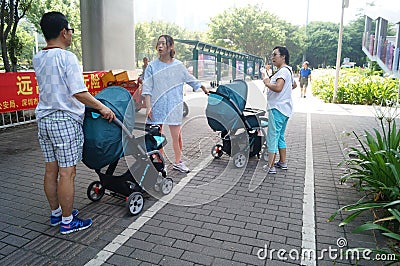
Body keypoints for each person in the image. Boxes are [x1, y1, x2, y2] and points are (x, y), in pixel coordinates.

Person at [33, 11, 116, 234]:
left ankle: (56, 215)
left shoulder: (38, 57)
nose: (71, 34)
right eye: (70, 30)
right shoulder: (67, 57)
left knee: (51, 170)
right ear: (63, 32)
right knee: (67, 173)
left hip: (44, 120)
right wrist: (102, 106)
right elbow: (78, 92)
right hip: (65, 121)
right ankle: (68, 222)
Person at [142, 34, 208, 173]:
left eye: (163, 44)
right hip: (157, 105)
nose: (160, 46)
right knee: (157, 136)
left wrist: (201, 87)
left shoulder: (178, 65)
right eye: (158, 43)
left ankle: (178, 162)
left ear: (170, 46)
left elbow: (189, 78)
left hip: (174, 105)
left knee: (176, 136)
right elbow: (147, 87)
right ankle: (161, 163)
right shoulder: (152, 67)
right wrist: (148, 107)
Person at [262, 46, 297, 174]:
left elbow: (278, 87)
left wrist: (267, 82)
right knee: (280, 136)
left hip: (276, 108)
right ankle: (282, 162)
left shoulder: (282, 71)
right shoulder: (288, 70)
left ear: (283, 57)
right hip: (285, 109)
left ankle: (270, 166)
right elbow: (294, 85)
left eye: (275, 55)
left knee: (273, 137)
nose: (273, 58)